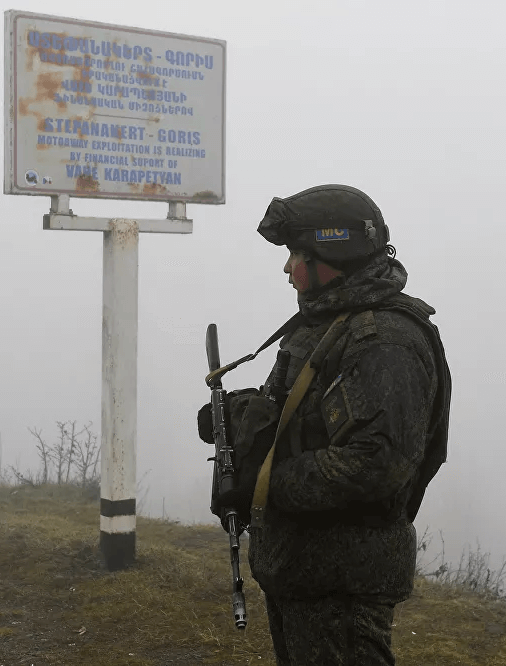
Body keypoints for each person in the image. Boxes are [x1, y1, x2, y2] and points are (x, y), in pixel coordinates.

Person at [199, 184, 452, 665]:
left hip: (344, 587)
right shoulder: (324, 325)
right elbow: (293, 412)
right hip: (301, 570)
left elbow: (375, 466)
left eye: (297, 253)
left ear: (332, 254)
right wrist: (239, 420)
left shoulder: (384, 342)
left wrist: (264, 484)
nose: (287, 267)